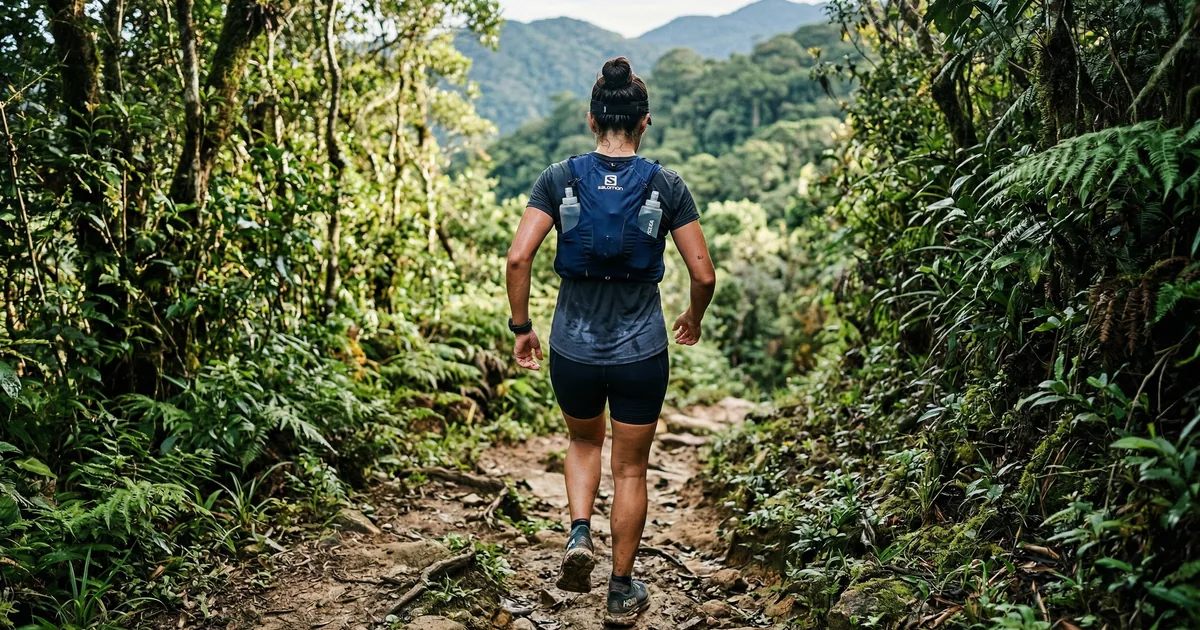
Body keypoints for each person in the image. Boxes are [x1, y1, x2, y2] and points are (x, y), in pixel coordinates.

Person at [504, 56, 716, 626]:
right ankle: (620, 589)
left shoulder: (558, 178)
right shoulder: (667, 184)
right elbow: (704, 275)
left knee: (581, 443)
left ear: (591, 119)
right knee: (630, 469)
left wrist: (522, 328)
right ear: (644, 121)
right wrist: (692, 319)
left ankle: (578, 534)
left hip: (572, 347)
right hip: (641, 350)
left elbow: (518, 256)